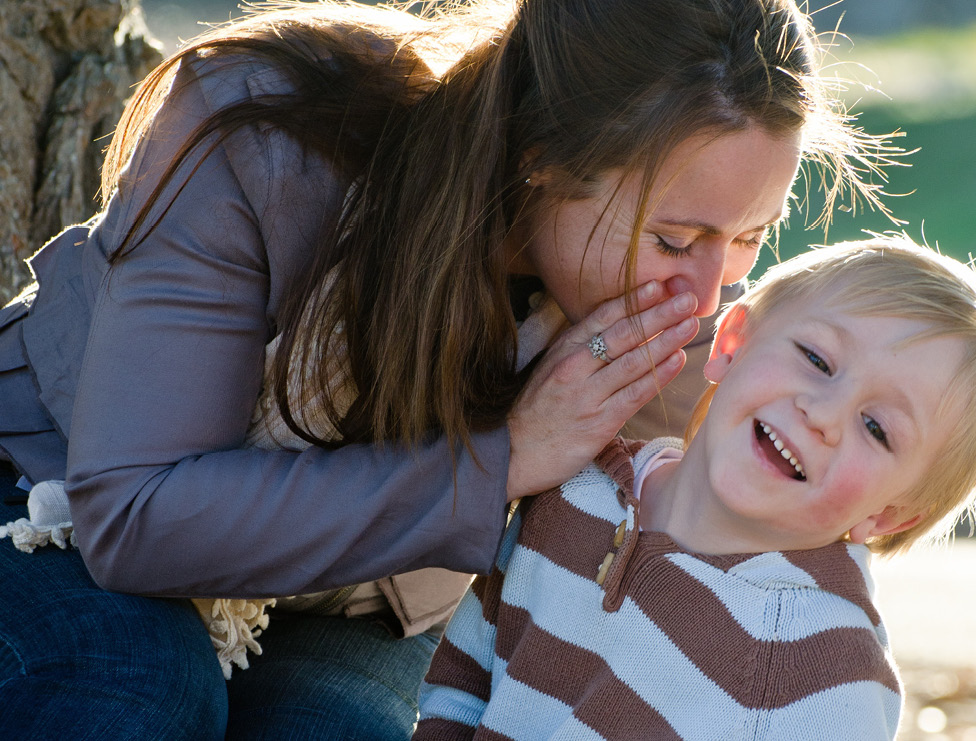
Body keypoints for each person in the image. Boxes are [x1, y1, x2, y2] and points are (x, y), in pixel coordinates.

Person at [0, 0, 892, 736]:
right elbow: (135, 515)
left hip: (354, 604)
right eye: (673, 238)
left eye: (747, 239)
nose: (704, 296)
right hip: (51, 497)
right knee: (134, 684)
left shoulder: (678, 317)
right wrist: (502, 459)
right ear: (540, 156)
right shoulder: (270, 131)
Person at [413, 236, 976, 741]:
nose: (823, 414)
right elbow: (465, 679)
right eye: (816, 359)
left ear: (887, 516)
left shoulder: (825, 673)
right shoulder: (578, 489)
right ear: (731, 345)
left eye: (876, 427)